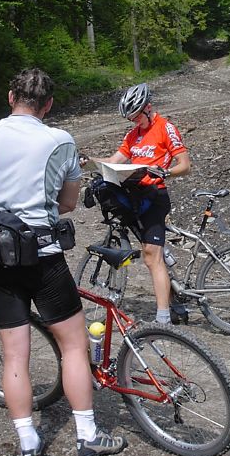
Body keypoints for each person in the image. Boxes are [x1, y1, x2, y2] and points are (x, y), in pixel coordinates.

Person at [0, 68, 127, 456]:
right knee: (74, 345)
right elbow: (71, 203)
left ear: (11, 97)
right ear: (49, 105)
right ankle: (88, 435)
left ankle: (27, 441)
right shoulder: (61, 140)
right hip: (43, 252)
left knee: (14, 355)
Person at [81, 82, 191, 325]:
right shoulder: (133, 135)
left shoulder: (166, 128)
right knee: (153, 253)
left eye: (135, 116)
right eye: (130, 118)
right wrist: (89, 161)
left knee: (152, 257)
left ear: (148, 108)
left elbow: (185, 165)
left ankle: (163, 320)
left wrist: (166, 172)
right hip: (136, 196)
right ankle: (173, 294)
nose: (133, 122)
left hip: (155, 196)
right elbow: (113, 160)